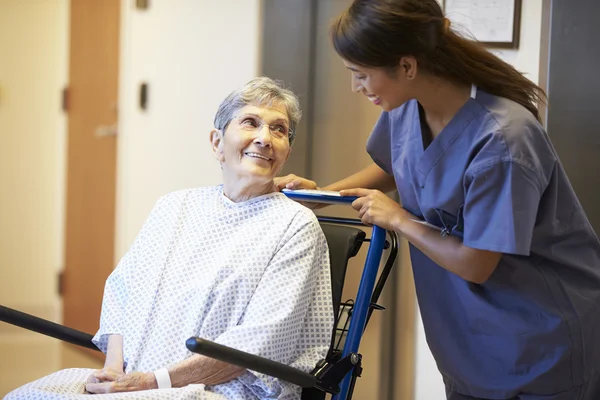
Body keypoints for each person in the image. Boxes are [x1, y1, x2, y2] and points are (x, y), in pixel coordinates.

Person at [276, 1, 600, 399]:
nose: (355, 88)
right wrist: (321, 196)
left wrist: (399, 219)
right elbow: (401, 166)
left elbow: (476, 264)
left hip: (538, 344)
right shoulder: (405, 105)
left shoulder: (503, 139)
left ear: (407, 67)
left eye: (361, 75)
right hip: (468, 342)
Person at [6, 77, 334, 400]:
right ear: (217, 142)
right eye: (250, 122)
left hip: (218, 391)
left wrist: (154, 382)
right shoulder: (175, 206)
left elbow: (260, 341)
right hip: (137, 382)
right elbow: (124, 290)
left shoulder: (294, 225)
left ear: (286, 152)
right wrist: (114, 369)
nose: (264, 138)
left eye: (279, 129)